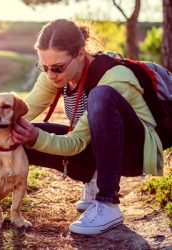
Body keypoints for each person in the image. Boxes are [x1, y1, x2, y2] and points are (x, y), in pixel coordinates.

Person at [12, 19, 165, 235]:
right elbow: (21, 113)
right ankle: (92, 177)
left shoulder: (114, 77)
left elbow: (75, 143)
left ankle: (107, 203)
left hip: (134, 152)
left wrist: (36, 137)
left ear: (81, 54)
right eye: (44, 67)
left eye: (57, 67)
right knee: (16, 134)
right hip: (94, 146)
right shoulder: (54, 75)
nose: (50, 75)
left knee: (100, 96)